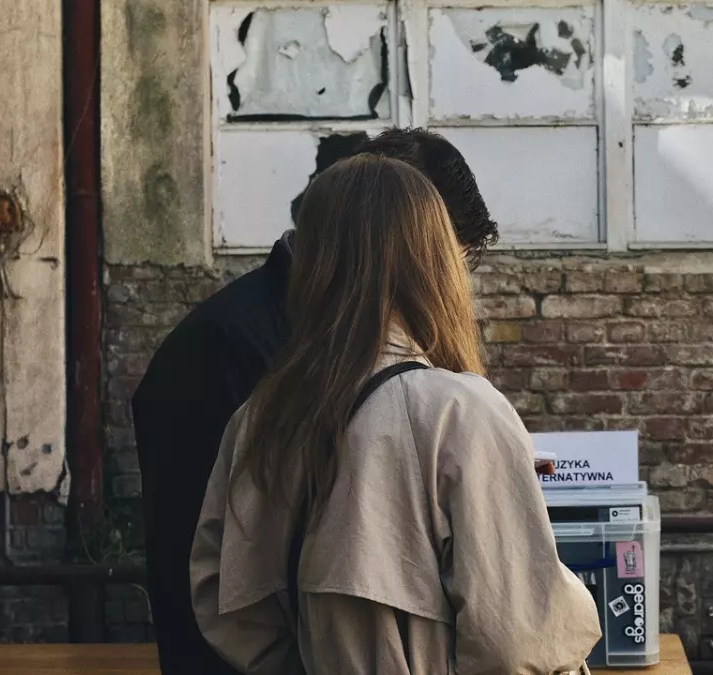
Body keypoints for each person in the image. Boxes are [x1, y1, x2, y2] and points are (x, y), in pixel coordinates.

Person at [190, 155, 601, 674]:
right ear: (431, 261)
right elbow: (521, 641)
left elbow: (223, 600)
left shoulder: (261, 417)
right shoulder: (461, 412)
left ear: (315, 262)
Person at [132, 129, 500, 675]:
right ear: (393, 236)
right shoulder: (230, 351)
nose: (450, 286)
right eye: (445, 258)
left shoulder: (326, 351)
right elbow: (222, 587)